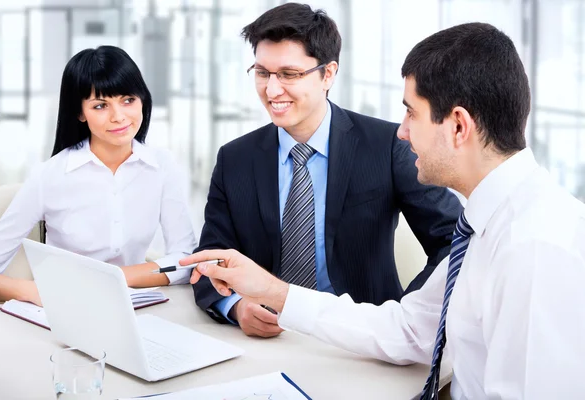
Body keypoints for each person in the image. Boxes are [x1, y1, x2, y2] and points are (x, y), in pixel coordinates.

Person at [185, 22, 585, 399]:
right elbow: (409, 329)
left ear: (458, 126)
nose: (402, 130)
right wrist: (272, 291)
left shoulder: (533, 246)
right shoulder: (486, 223)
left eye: (411, 112)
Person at [193, 2, 462, 338]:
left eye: (289, 74)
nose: (271, 90)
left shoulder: (386, 145)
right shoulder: (235, 158)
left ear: (328, 74)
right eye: (262, 73)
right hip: (271, 337)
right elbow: (207, 261)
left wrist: (406, 315)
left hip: (362, 338)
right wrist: (235, 305)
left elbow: (454, 242)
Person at [0, 46, 197, 306]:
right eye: (100, 106)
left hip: (135, 304)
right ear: (79, 113)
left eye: (128, 100)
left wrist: (112, 278)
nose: (119, 116)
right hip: (66, 308)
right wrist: (34, 292)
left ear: (143, 99)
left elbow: (186, 260)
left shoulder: (161, 166)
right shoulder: (49, 176)